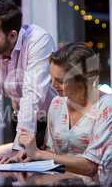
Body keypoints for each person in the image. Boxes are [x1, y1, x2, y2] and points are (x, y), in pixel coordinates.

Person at [0, 0, 56, 164]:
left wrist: (19, 146)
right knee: (18, 175)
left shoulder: (38, 40)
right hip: (21, 119)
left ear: (12, 35)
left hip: (53, 121)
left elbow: (32, 96)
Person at [19, 42, 112, 176]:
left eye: (60, 81)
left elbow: (90, 167)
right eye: (51, 78)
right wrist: (29, 154)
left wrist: (39, 154)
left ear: (83, 80)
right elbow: (52, 154)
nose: (53, 84)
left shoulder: (106, 107)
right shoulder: (57, 104)